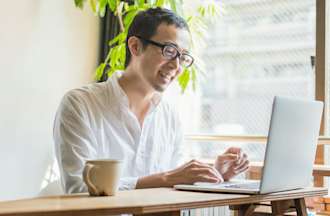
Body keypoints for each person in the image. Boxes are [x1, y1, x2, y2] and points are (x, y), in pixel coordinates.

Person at [54, 7, 249, 194]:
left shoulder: (169, 117)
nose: (176, 66)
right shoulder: (80, 105)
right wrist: (165, 179)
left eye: (182, 57)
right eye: (169, 51)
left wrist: (215, 173)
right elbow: (78, 188)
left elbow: (176, 181)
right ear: (135, 46)